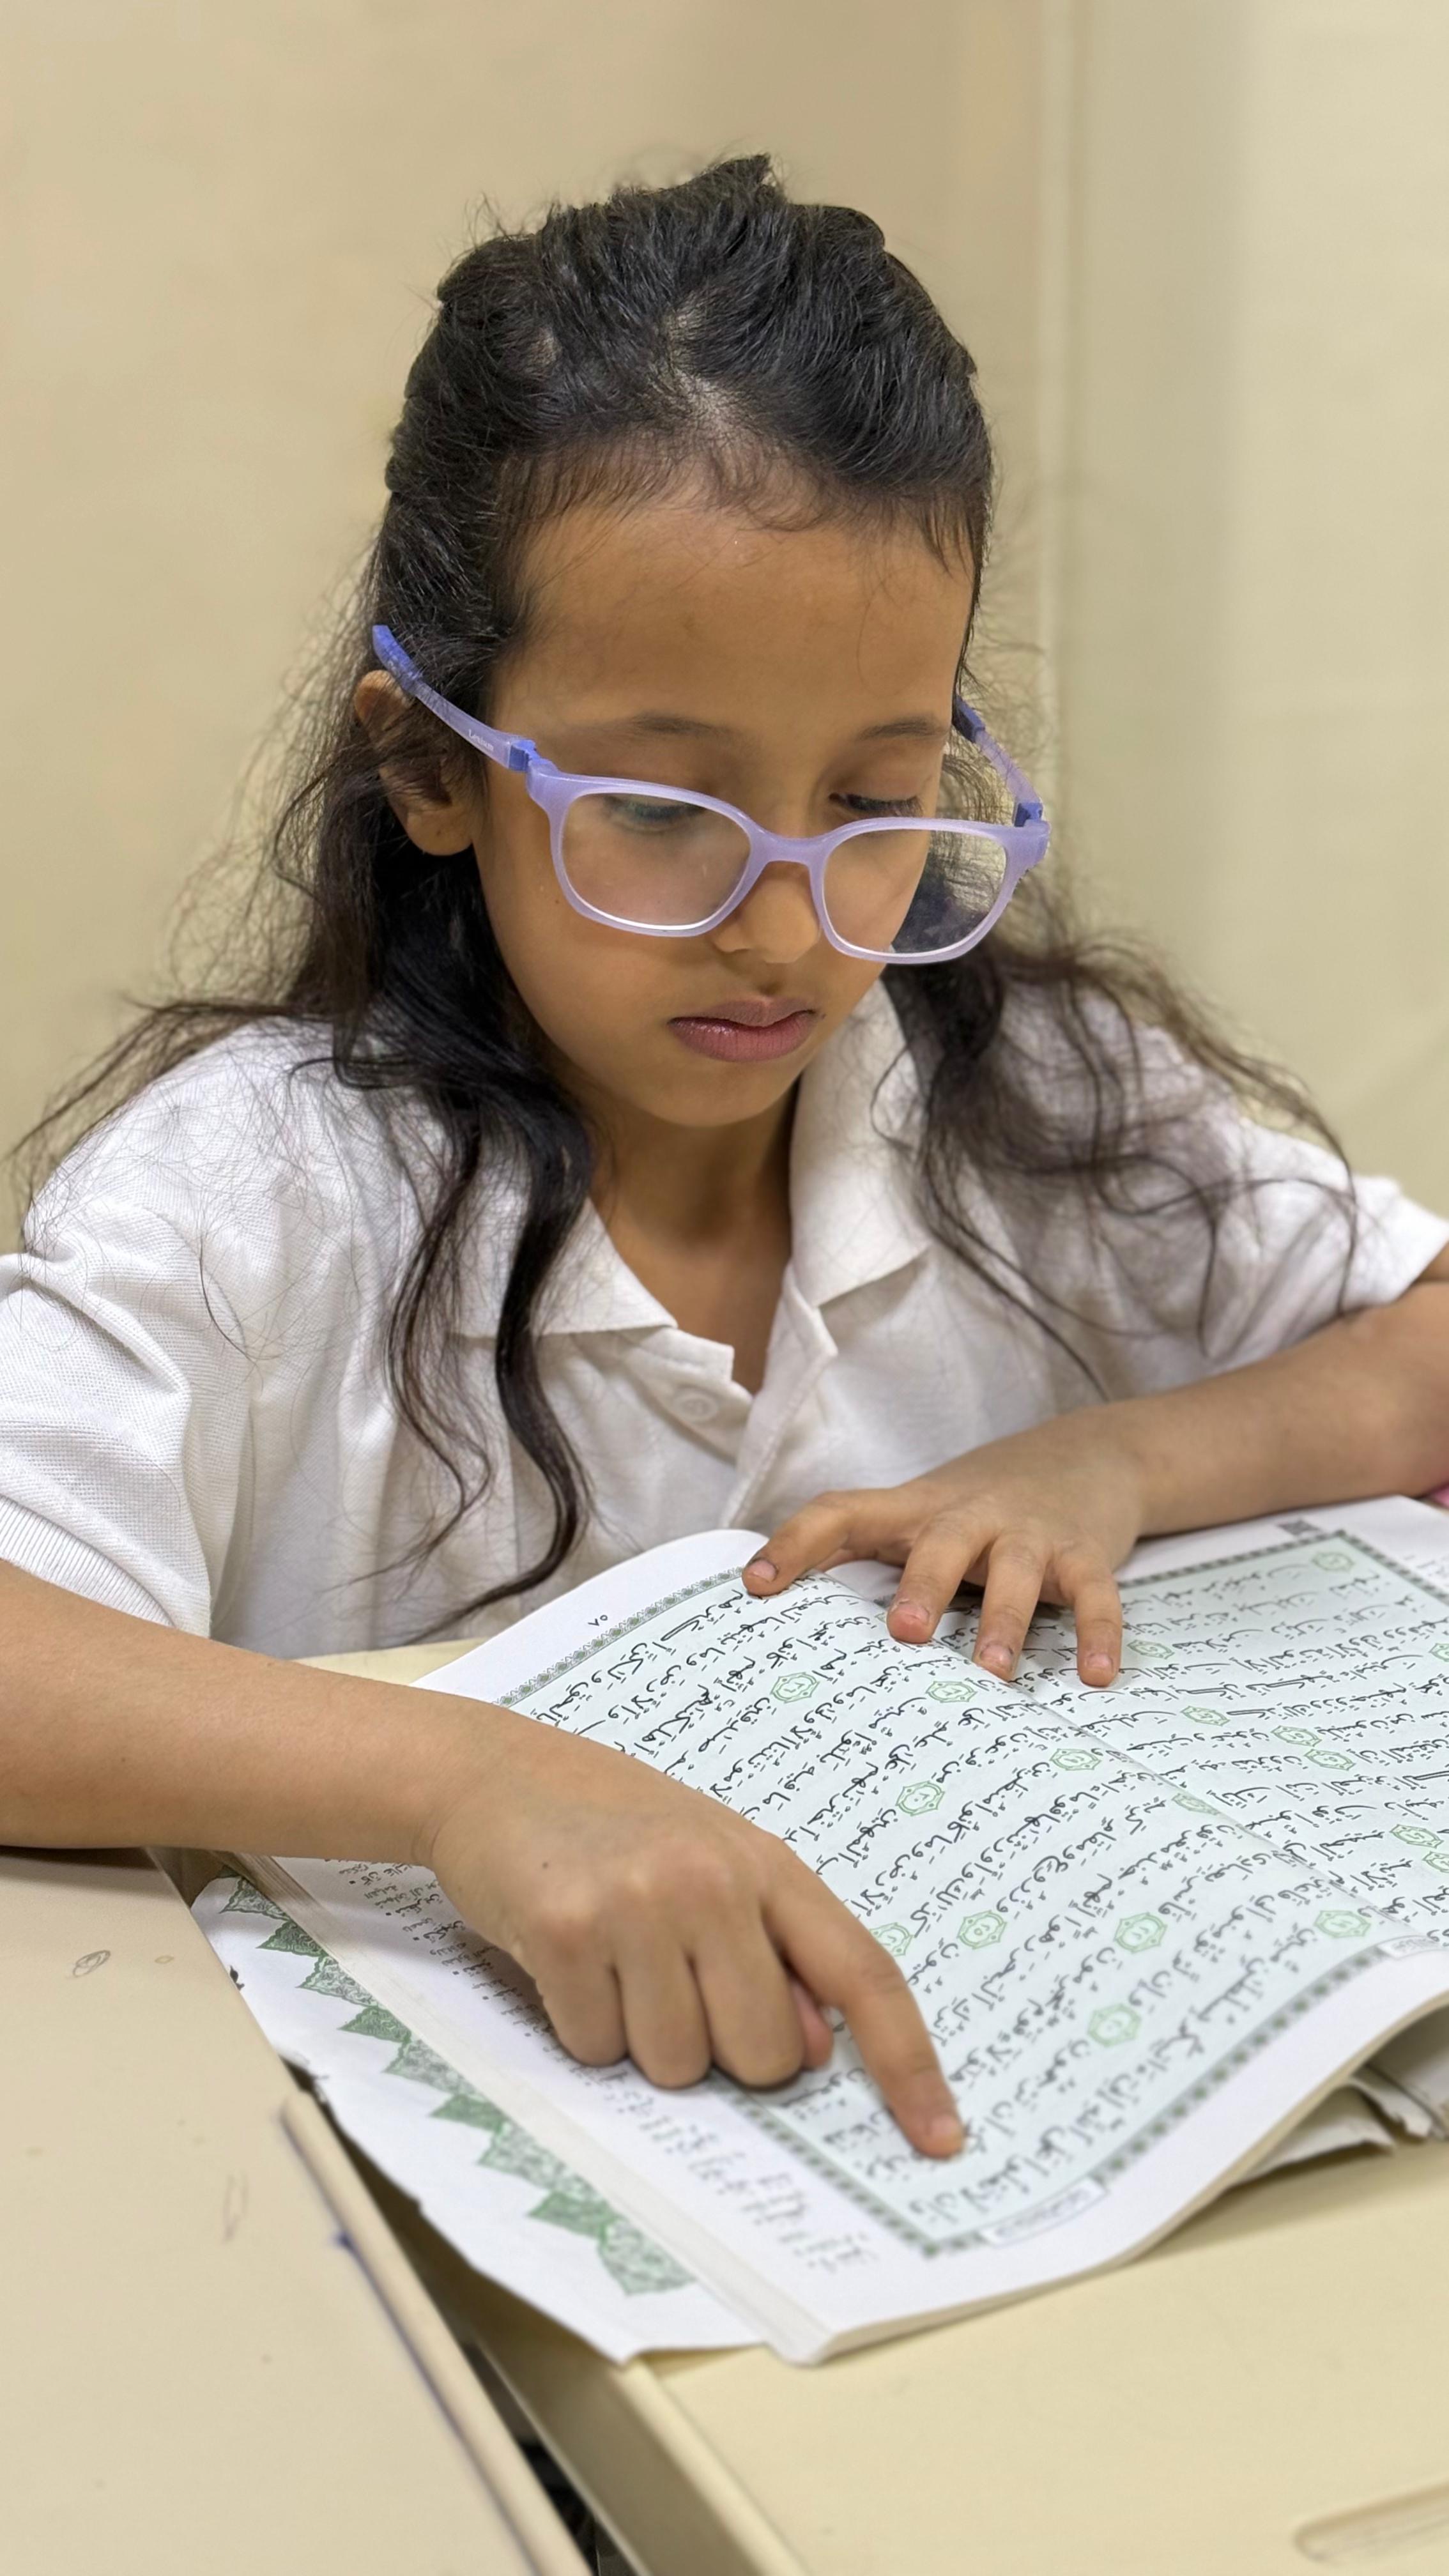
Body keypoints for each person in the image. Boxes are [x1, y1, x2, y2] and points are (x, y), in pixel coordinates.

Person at [3, 158, 1446, 2158]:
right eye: (664, 811)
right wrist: (463, 1779)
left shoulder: (1029, 1102)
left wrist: (1116, 1462)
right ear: (429, 765)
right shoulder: (257, 1199)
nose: (785, 929)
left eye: (869, 800)